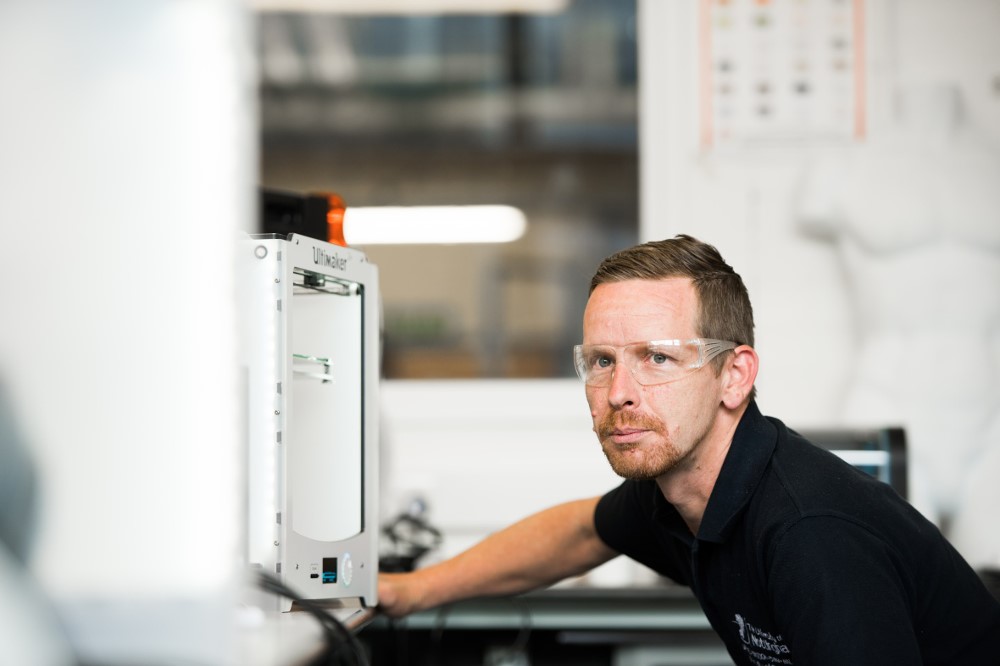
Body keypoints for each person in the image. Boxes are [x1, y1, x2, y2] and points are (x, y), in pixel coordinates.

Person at [378, 235, 1000, 664]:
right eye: (601, 361)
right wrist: (414, 590)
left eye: (657, 357)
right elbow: (579, 532)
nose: (619, 392)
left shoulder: (810, 536)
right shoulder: (680, 488)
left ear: (735, 376)